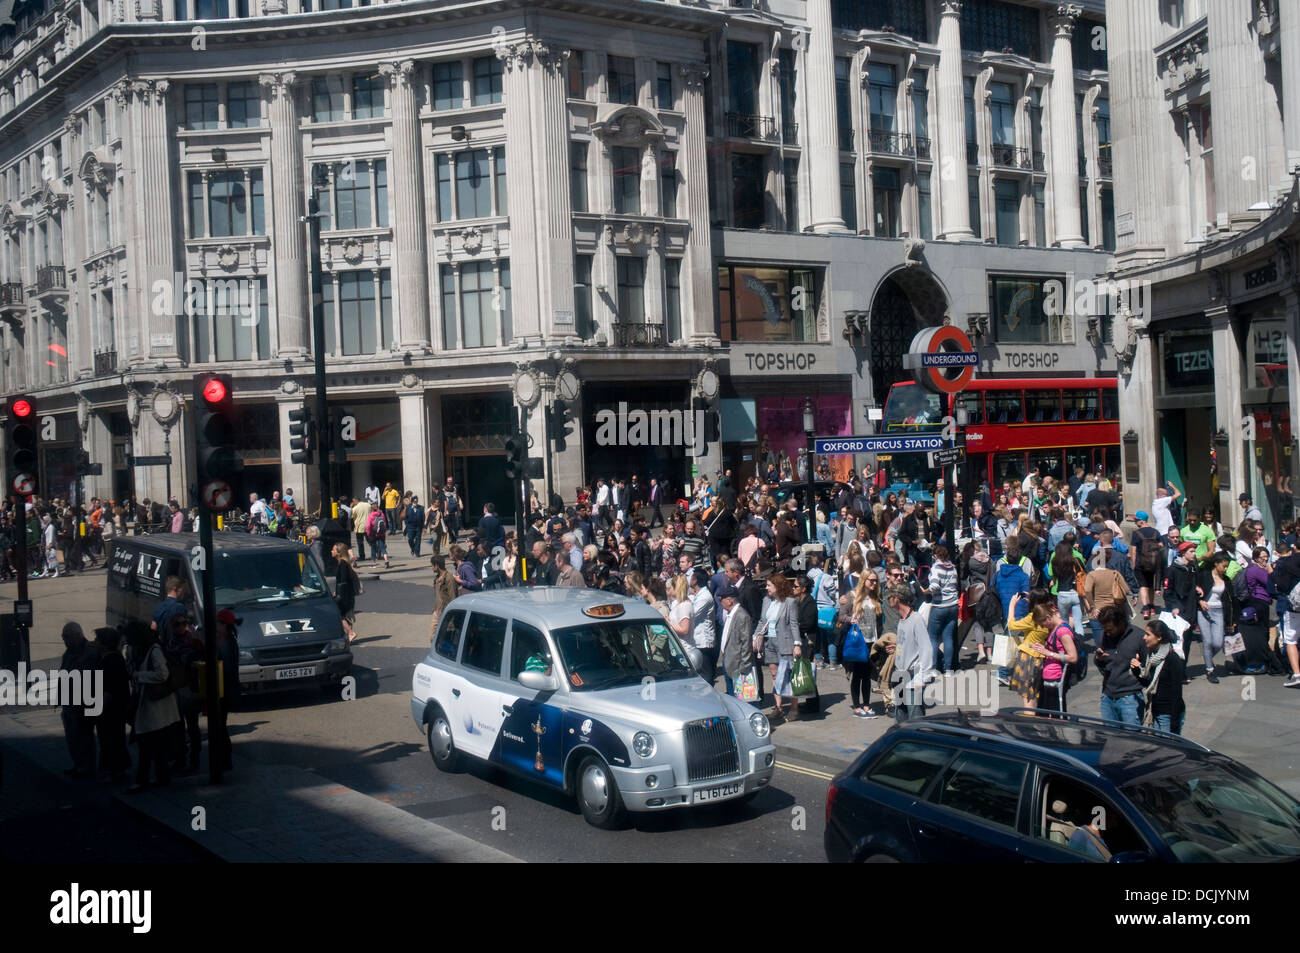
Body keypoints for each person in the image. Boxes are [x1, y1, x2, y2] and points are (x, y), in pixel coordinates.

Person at [125, 621, 179, 792]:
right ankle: (161, 777)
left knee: (146, 745)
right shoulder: (140, 651)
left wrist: (139, 675)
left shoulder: (153, 651)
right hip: (151, 706)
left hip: (155, 706)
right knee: (156, 746)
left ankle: (143, 779)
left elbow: (162, 674)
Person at [754, 573, 800, 720]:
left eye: (769, 585)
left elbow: (794, 624)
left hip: (785, 642)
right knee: (774, 675)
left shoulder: (789, 602)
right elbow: (762, 622)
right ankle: (778, 707)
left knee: (789, 676)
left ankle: (794, 708)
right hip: (770, 642)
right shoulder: (766, 600)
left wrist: (797, 644)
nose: (766, 588)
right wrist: (755, 638)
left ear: (778, 586)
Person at [1095, 605, 1147, 725]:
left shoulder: (1139, 637)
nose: (1107, 633)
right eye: (1105, 630)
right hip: (1107, 696)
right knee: (1110, 738)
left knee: (1131, 739)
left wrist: (1139, 668)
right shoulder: (1104, 636)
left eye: (1110, 630)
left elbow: (1148, 668)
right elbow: (1102, 664)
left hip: (1130, 698)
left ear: (1120, 623)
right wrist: (1098, 659)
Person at [59, 622, 99, 777]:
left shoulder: (90, 651)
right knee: (71, 736)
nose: (64, 640)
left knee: (84, 736)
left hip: (83, 702)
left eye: (66, 637)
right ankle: (78, 763)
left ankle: (87, 766)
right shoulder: (69, 652)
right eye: (63, 637)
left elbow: (86, 674)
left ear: (77, 636)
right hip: (69, 701)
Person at [92, 626, 131, 782]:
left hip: (111, 709)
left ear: (104, 643)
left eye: (97, 639)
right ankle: (117, 768)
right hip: (115, 707)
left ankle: (114, 770)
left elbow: (109, 687)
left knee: (110, 739)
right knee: (114, 738)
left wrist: (98, 708)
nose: (94, 642)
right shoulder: (112, 657)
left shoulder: (110, 659)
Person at [1134, 619, 1186, 734]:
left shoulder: (1172, 659)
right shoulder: (1152, 657)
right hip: (1155, 710)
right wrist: (1136, 669)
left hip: (1167, 715)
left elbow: (1177, 693)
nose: (1144, 637)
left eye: (1148, 634)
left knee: (1166, 750)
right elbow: (1146, 682)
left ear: (1159, 637)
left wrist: (1174, 725)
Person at [889, 585, 931, 722]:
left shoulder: (916, 619)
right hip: (900, 678)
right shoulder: (902, 621)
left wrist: (922, 678)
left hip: (913, 679)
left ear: (898, 598)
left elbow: (926, 648)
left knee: (915, 723)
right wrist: (897, 648)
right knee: (900, 721)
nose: (888, 599)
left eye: (891, 596)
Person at [843, 572, 880, 718]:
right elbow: (841, 615)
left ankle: (867, 705)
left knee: (867, 675)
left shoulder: (875, 597)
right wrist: (849, 619)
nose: (874, 584)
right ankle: (857, 707)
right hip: (858, 641)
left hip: (872, 640)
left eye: (876, 581)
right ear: (864, 580)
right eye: (872, 580)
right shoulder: (852, 596)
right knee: (857, 674)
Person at [209, 608, 242, 773]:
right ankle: (224, 759)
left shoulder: (227, 642)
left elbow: (226, 669)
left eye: (218, 622)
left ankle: (225, 759)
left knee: (219, 726)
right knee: (220, 725)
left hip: (224, 691)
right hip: (225, 691)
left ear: (223, 624)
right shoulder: (227, 639)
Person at [1036, 602, 1078, 711]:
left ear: (1048, 617)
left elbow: (1073, 657)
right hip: (1049, 677)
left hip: (1057, 678)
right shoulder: (1053, 628)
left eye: (1042, 623)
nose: (1042, 627)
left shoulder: (1062, 631)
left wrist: (1048, 653)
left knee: (1056, 714)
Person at [717, 585, 755, 704]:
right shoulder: (731, 614)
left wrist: (744, 666)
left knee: (741, 701)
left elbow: (746, 643)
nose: (720, 602)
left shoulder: (741, 616)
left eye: (721, 599)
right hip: (729, 663)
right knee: (733, 699)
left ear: (729, 600)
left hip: (738, 667)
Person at [927, 544, 960, 676]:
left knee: (933, 637)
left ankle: (934, 668)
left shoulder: (936, 568)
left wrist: (926, 590)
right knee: (948, 637)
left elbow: (934, 586)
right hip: (952, 605)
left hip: (939, 606)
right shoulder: (953, 568)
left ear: (936, 555)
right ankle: (948, 669)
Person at [791, 575, 821, 714]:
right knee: (804, 670)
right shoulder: (798, 600)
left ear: (803, 589)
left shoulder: (810, 602)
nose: (793, 588)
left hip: (809, 640)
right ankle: (809, 700)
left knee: (808, 670)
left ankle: (813, 704)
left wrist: (795, 627)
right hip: (802, 639)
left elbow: (808, 623)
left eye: (796, 586)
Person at [1130, 510, 1164, 619]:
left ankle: (1145, 608)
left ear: (1142, 521)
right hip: (1153, 563)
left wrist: (1134, 564)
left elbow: (1134, 551)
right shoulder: (1156, 532)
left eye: (1136, 520)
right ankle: (1152, 606)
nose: (1135, 522)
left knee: (1143, 585)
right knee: (1150, 585)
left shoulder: (1136, 534)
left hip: (1141, 563)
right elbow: (1161, 546)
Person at [688, 568, 717, 680]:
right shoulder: (699, 594)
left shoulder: (704, 596)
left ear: (695, 580)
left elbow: (693, 614)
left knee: (706, 672)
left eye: (691, 577)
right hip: (697, 639)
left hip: (703, 640)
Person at [333, 542, 362, 644]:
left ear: (339, 552)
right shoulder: (344, 563)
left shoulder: (343, 564)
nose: (331, 551)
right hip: (346, 593)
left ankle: (350, 632)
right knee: (346, 615)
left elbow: (343, 581)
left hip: (344, 594)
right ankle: (348, 635)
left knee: (338, 614)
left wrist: (338, 593)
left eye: (333, 550)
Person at [430, 555, 459, 640]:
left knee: (442, 639)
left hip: (444, 613)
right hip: (437, 612)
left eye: (432, 565)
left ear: (437, 566)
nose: (432, 568)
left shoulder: (449, 578)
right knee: (433, 638)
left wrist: (450, 617)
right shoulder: (437, 578)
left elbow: (453, 598)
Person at [350, 496, 372, 562]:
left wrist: (351, 507)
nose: (353, 503)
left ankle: (362, 556)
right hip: (368, 525)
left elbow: (351, 516)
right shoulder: (368, 505)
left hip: (359, 527)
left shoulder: (355, 508)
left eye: (353, 501)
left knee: (360, 542)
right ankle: (376, 552)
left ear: (356, 501)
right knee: (370, 541)